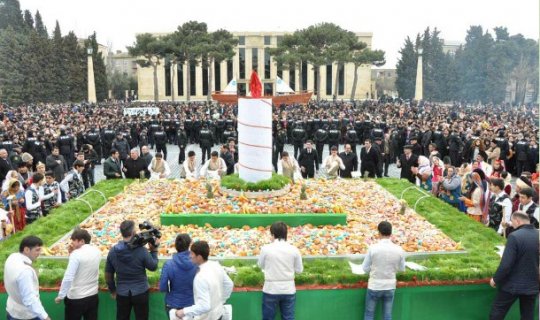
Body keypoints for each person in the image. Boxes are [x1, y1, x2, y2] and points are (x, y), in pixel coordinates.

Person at [105, 220, 160, 320]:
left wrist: (113, 290)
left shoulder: (113, 251)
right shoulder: (141, 250)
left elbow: (108, 274)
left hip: (122, 293)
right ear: (133, 232)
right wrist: (154, 251)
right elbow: (153, 267)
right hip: (140, 292)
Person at [489, 211, 539, 320]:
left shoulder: (515, 236)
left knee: (498, 310)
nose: (512, 224)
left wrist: (496, 279)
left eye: (512, 222)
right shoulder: (538, 234)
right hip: (532, 284)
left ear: (517, 221)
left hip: (513, 284)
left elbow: (506, 264)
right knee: (527, 314)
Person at [172, 240, 234, 320]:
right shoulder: (216, 265)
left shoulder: (200, 277)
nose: (190, 256)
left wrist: (182, 312)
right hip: (219, 314)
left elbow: (204, 306)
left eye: (192, 254)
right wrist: (220, 301)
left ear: (199, 257)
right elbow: (229, 284)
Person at [258, 221, 303, 320]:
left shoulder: (266, 249)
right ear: (285, 234)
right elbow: (299, 270)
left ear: (273, 234)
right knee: (288, 318)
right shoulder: (294, 249)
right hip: (289, 289)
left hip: (270, 289)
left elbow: (260, 265)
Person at [362, 221, 405, 320]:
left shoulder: (373, 248)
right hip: (390, 286)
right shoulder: (399, 249)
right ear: (391, 233)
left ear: (379, 233)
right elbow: (402, 269)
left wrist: (373, 270)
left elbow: (365, 268)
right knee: (387, 315)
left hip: (374, 286)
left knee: (369, 314)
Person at [55, 228, 101, 320]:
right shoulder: (97, 251)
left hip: (76, 298)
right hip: (93, 295)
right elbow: (84, 266)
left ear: (82, 241)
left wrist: (61, 295)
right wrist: (72, 253)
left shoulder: (76, 254)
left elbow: (68, 277)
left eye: (74, 241)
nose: (72, 243)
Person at [4, 235, 51, 320]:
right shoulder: (25, 272)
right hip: (26, 315)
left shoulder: (12, 257)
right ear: (26, 249)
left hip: (12, 309)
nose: (39, 253)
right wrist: (45, 317)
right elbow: (30, 300)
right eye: (37, 250)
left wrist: (32, 270)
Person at [159, 234, 197, 318]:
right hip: (192, 304)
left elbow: (162, 287)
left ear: (175, 246)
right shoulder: (196, 264)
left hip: (173, 305)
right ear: (189, 245)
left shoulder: (168, 265)